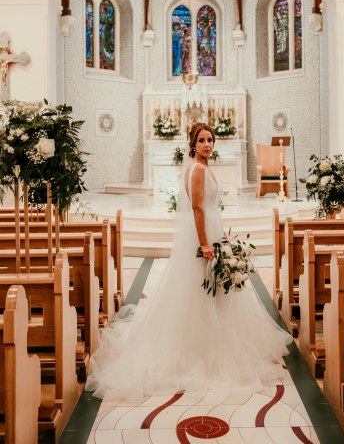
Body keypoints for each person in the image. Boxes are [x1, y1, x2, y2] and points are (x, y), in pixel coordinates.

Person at [85, 122, 292, 402]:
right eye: (202, 140)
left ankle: (215, 344)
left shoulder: (204, 167)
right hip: (202, 236)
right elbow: (197, 207)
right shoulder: (196, 169)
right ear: (192, 144)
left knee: (212, 289)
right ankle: (199, 350)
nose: (208, 144)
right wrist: (205, 242)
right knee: (201, 290)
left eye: (211, 139)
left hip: (212, 230)